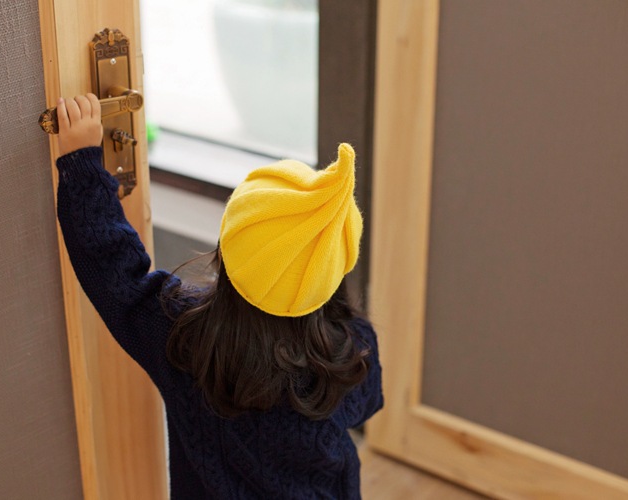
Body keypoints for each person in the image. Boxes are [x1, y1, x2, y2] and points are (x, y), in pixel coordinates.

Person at [54, 94, 383, 499]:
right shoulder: (353, 349)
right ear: (333, 274)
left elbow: (112, 269)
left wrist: (82, 162)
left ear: (228, 251)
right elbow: (366, 407)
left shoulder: (184, 343)